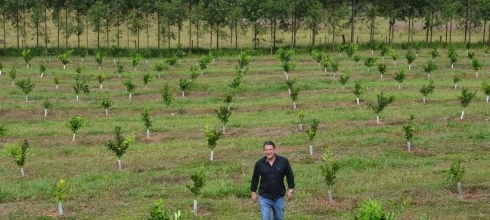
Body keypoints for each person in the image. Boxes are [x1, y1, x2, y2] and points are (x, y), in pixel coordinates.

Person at [250, 140, 295, 220]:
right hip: (264, 196)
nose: (268, 152)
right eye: (266, 150)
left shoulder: (283, 161)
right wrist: (253, 192)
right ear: (264, 151)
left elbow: (290, 176)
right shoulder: (259, 164)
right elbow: (255, 178)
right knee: (265, 218)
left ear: (274, 150)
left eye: (270, 149)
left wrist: (290, 190)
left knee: (278, 218)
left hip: (279, 196)